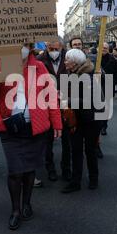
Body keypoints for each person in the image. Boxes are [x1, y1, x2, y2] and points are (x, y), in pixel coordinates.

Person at [0, 43, 62, 231]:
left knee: (29, 169)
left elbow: (51, 96)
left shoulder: (39, 67)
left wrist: (57, 123)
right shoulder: (1, 63)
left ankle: (27, 203)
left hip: (34, 126)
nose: (21, 48)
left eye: (25, 45)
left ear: (30, 48)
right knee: (15, 171)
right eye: (18, 44)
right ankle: (15, 210)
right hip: (10, 126)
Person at [61, 49, 104, 194]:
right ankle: (75, 181)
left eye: (67, 59)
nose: (65, 62)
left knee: (90, 150)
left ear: (75, 62)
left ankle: (94, 179)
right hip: (76, 119)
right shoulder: (72, 73)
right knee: (76, 150)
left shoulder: (89, 75)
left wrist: (67, 101)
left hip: (91, 119)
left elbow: (89, 100)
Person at [37, 40, 72, 181]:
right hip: (47, 105)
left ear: (61, 47)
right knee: (48, 140)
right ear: (46, 47)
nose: (53, 51)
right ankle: (50, 168)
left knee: (67, 140)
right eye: (50, 48)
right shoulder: (39, 60)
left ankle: (66, 168)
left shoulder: (69, 59)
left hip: (66, 104)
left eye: (56, 48)